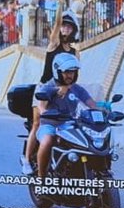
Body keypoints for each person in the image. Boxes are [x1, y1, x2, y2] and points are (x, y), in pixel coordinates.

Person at [23, 10, 81, 172]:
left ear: (73, 30)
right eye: (63, 26)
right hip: (45, 88)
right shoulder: (54, 45)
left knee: (67, 123)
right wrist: (61, 6)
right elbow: (55, 25)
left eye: (69, 27)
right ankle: (27, 160)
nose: (65, 30)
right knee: (38, 123)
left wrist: (67, 88)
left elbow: (75, 74)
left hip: (64, 90)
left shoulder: (75, 52)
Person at [31, 52, 97, 180]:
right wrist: (46, 112)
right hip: (50, 124)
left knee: (87, 143)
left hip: (70, 125)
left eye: (72, 72)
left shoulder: (76, 89)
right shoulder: (48, 87)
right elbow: (41, 107)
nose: (70, 75)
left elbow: (92, 104)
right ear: (57, 72)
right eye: (66, 72)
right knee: (47, 141)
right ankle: (41, 177)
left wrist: (103, 113)